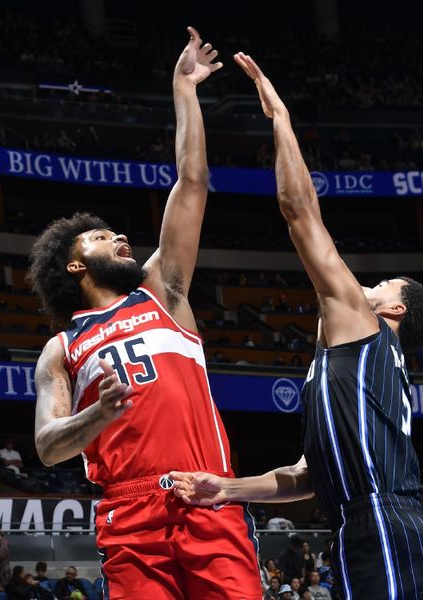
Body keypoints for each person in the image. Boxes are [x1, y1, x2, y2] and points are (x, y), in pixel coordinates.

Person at [169, 52, 423, 599]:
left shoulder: (364, 327)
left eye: (384, 286)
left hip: (382, 526)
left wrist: (280, 119)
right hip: (380, 524)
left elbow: (299, 211)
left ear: (393, 312)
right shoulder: (364, 372)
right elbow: (305, 475)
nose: (367, 286)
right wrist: (226, 489)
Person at [29, 27, 259, 599]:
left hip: (206, 492)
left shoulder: (163, 292)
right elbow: (49, 444)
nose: (120, 236)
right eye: (102, 238)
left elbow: (193, 183)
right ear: (74, 268)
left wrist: (185, 90)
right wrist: (98, 415)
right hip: (128, 511)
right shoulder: (62, 350)